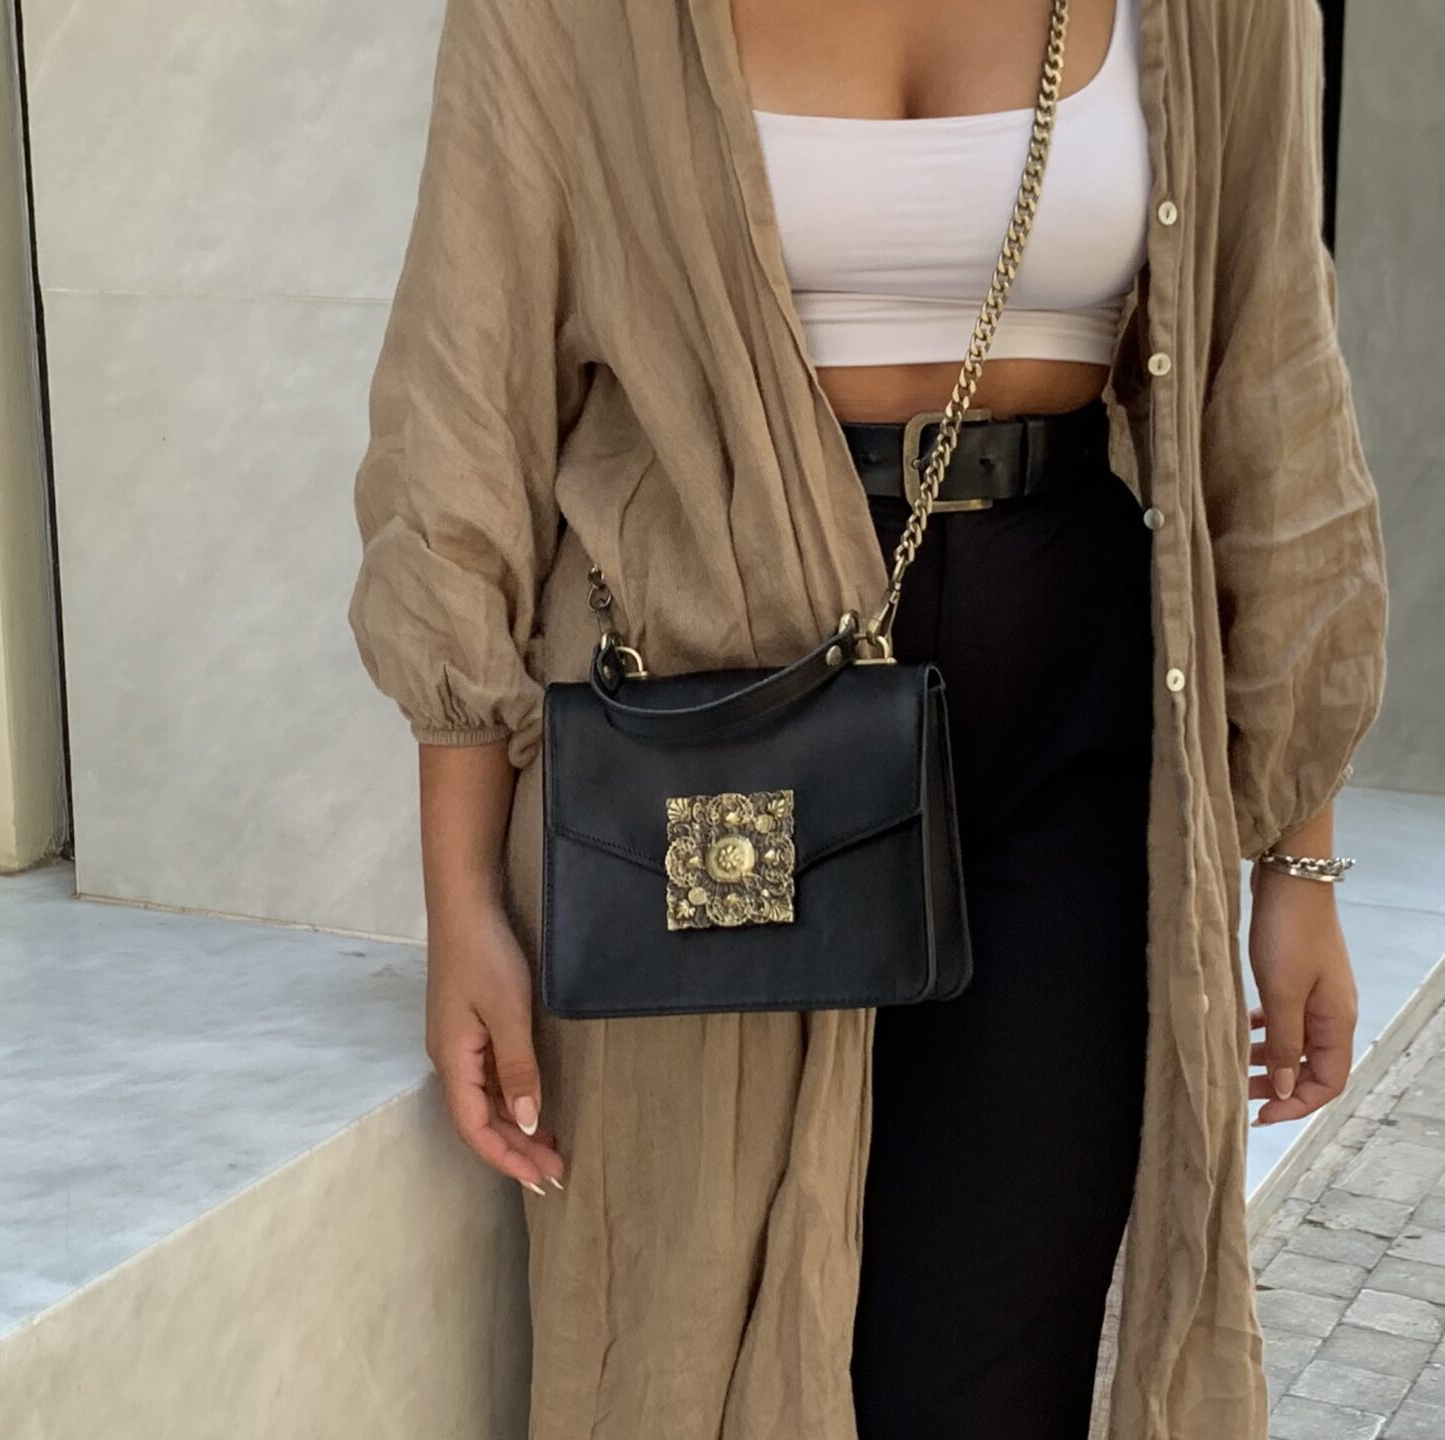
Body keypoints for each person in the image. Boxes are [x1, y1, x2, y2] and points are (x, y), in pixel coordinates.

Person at [347, 0, 1387, 1434]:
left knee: (995, 1361)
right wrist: (460, 895)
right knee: (688, 1340)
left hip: (1064, 734)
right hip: (710, 738)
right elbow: (466, 417)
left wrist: (1298, 856)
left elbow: (1273, 395)